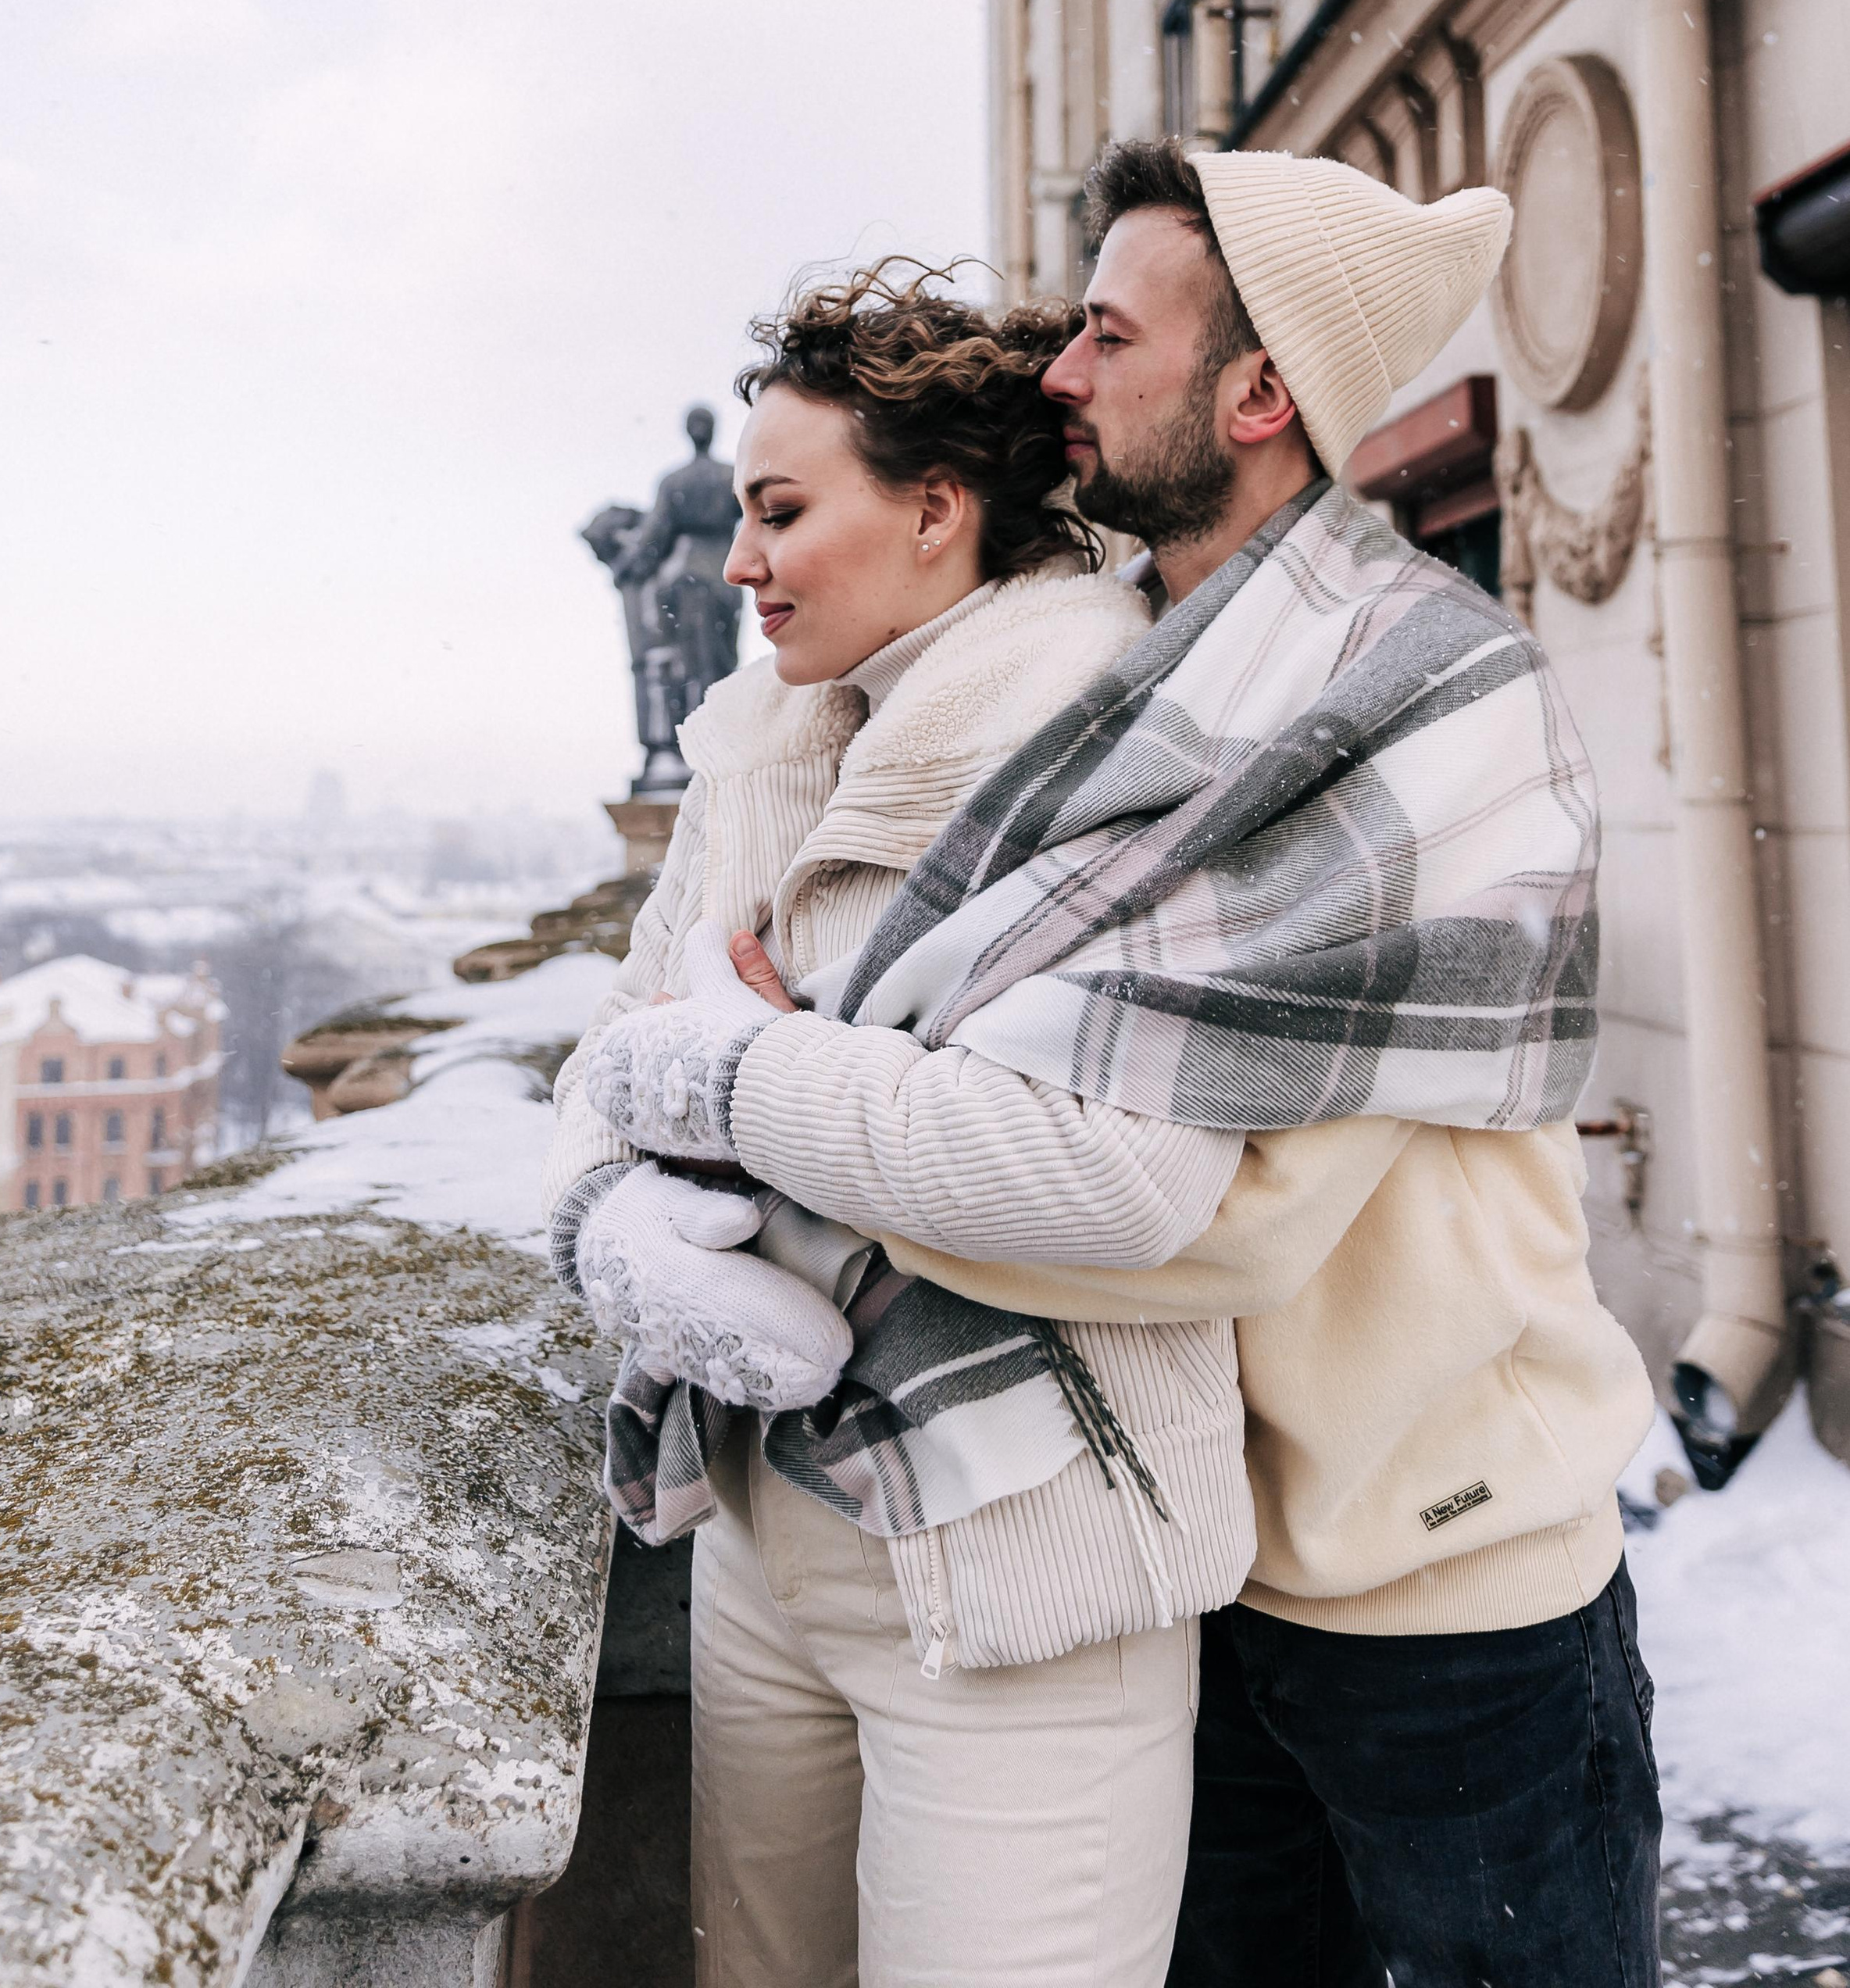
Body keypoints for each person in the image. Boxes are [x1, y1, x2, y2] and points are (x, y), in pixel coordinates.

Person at [572, 143, 1662, 1988]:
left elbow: (1192, 1220)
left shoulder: (1413, 696)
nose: (1056, 373)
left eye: (1105, 331)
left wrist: (751, 1095)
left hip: (1442, 1586)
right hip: (1212, 1570)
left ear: (1253, 392)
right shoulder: (1142, 666)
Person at [545, 265, 1257, 1988]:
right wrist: (608, 1223)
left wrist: (731, 1088)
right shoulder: (764, 749)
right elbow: (600, 1057)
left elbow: (1116, 1165)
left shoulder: (1115, 748)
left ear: (937, 509)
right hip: (760, 1527)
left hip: (1023, 1558)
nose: (732, 565)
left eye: (781, 511)